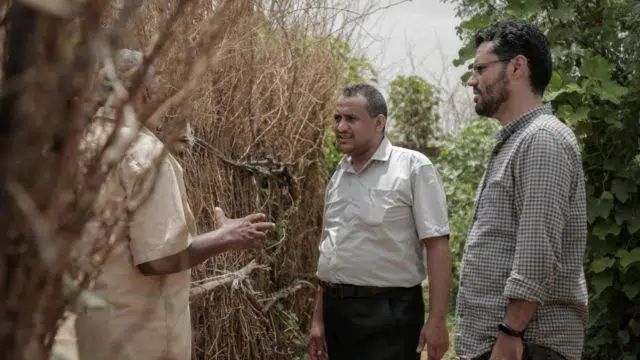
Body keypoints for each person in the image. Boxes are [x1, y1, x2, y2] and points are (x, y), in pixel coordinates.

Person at [69, 49, 276, 360]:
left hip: (84, 335)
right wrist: (225, 238)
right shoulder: (145, 153)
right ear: (142, 92)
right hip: (137, 340)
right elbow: (157, 260)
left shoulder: (71, 151)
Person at [455, 20, 588, 360]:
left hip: (525, 345)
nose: (472, 80)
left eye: (481, 69)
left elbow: (537, 249)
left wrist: (511, 331)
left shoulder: (542, 139)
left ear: (516, 66)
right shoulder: (519, 140)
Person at [307, 83, 452, 360]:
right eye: (337, 118)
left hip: (390, 317)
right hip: (337, 316)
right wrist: (319, 320)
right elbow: (330, 253)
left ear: (379, 122)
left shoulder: (412, 167)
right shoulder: (339, 175)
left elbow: (437, 245)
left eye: (351, 119)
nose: (340, 127)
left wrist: (437, 320)